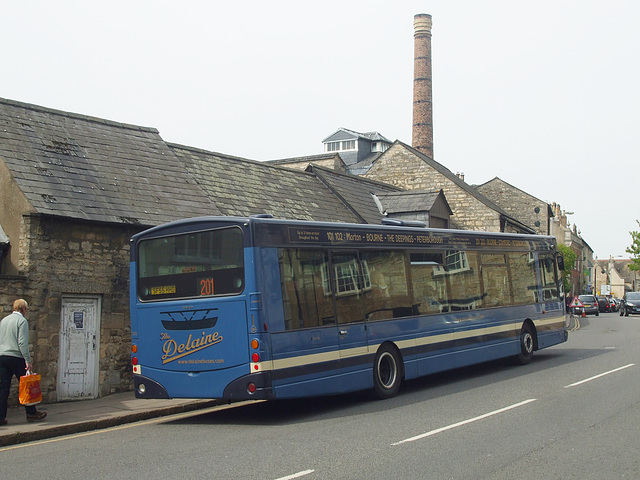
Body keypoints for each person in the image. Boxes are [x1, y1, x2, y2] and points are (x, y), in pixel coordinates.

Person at [0, 299, 47, 425]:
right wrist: (28, 360)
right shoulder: (22, 321)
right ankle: (31, 413)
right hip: (16, 357)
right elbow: (22, 343)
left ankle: (1, 417)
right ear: (23, 309)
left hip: (2, 357)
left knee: (3, 388)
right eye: (26, 309)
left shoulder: (4, 320)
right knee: (27, 386)